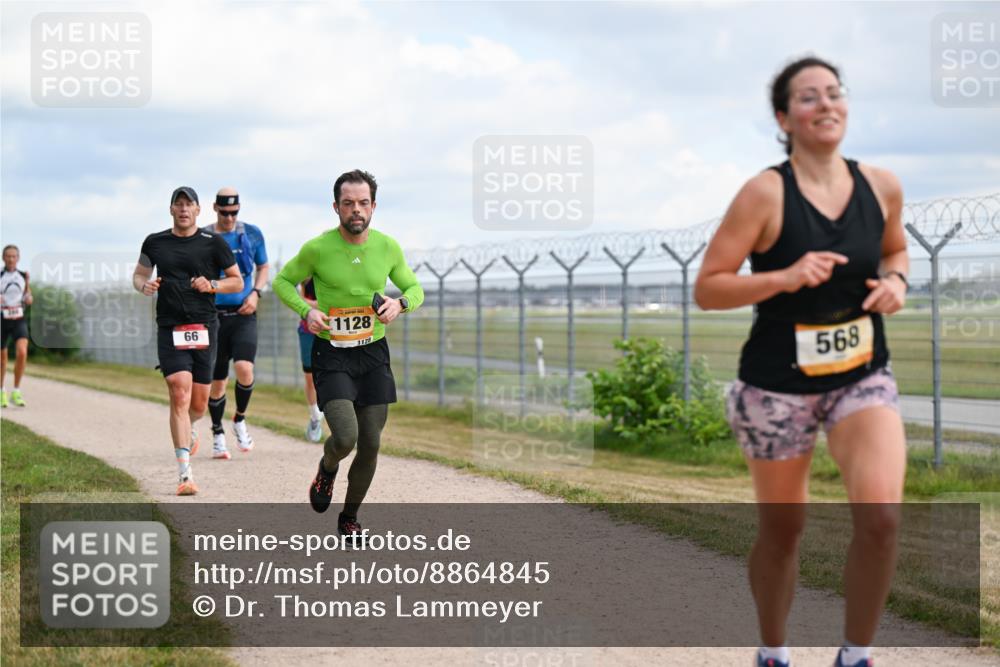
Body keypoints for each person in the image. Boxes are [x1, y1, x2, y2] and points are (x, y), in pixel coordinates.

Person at [693, 56, 908, 667]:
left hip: (862, 374)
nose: (826, 105)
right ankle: (773, 650)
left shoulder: (882, 185)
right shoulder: (765, 192)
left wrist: (896, 281)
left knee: (883, 519)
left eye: (834, 93)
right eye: (809, 97)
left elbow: (895, 250)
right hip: (777, 386)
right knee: (785, 531)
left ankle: (856, 655)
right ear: (785, 117)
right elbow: (709, 288)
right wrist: (785, 276)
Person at [273, 169, 423, 538]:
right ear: (335, 207)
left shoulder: (388, 247)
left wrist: (400, 304)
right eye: (348, 203)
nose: (356, 210)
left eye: (363, 203)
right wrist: (306, 311)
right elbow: (281, 281)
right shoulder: (318, 248)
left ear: (373, 206)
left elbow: (415, 287)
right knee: (345, 437)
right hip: (333, 353)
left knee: (370, 444)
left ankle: (350, 517)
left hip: (373, 354)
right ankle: (327, 468)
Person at [133, 187, 243, 496]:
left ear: (198, 210)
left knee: (198, 403)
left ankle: (192, 426)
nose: (183, 209)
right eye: (178, 204)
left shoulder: (213, 243)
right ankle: (185, 474)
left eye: (188, 205)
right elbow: (138, 275)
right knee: (179, 392)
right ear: (171, 210)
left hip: (205, 326)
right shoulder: (154, 242)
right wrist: (145, 285)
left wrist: (212, 285)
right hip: (170, 327)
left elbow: (238, 280)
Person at [203, 187, 269, 460]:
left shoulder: (251, 233)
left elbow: (263, 266)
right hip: (215, 315)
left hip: (244, 314)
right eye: (224, 212)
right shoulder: (205, 236)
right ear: (215, 208)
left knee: (244, 368)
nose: (229, 218)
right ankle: (217, 432)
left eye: (234, 212)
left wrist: (256, 293)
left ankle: (239, 418)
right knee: (217, 383)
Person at [1, 245, 32, 408]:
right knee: (2, 359)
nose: (11, 259)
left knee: (21, 352)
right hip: (2, 319)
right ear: (3, 258)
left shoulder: (23, 275)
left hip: (18, 318)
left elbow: (28, 294)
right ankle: (1, 392)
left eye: (14, 256)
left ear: (18, 258)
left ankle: (16, 391)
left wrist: (29, 298)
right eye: (8, 256)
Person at [297, 278, 324, 442]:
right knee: (310, 377)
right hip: (308, 330)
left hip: (333, 329)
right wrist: (315, 305)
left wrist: (310, 304)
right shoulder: (305, 275)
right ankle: (315, 417)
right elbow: (299, 300)